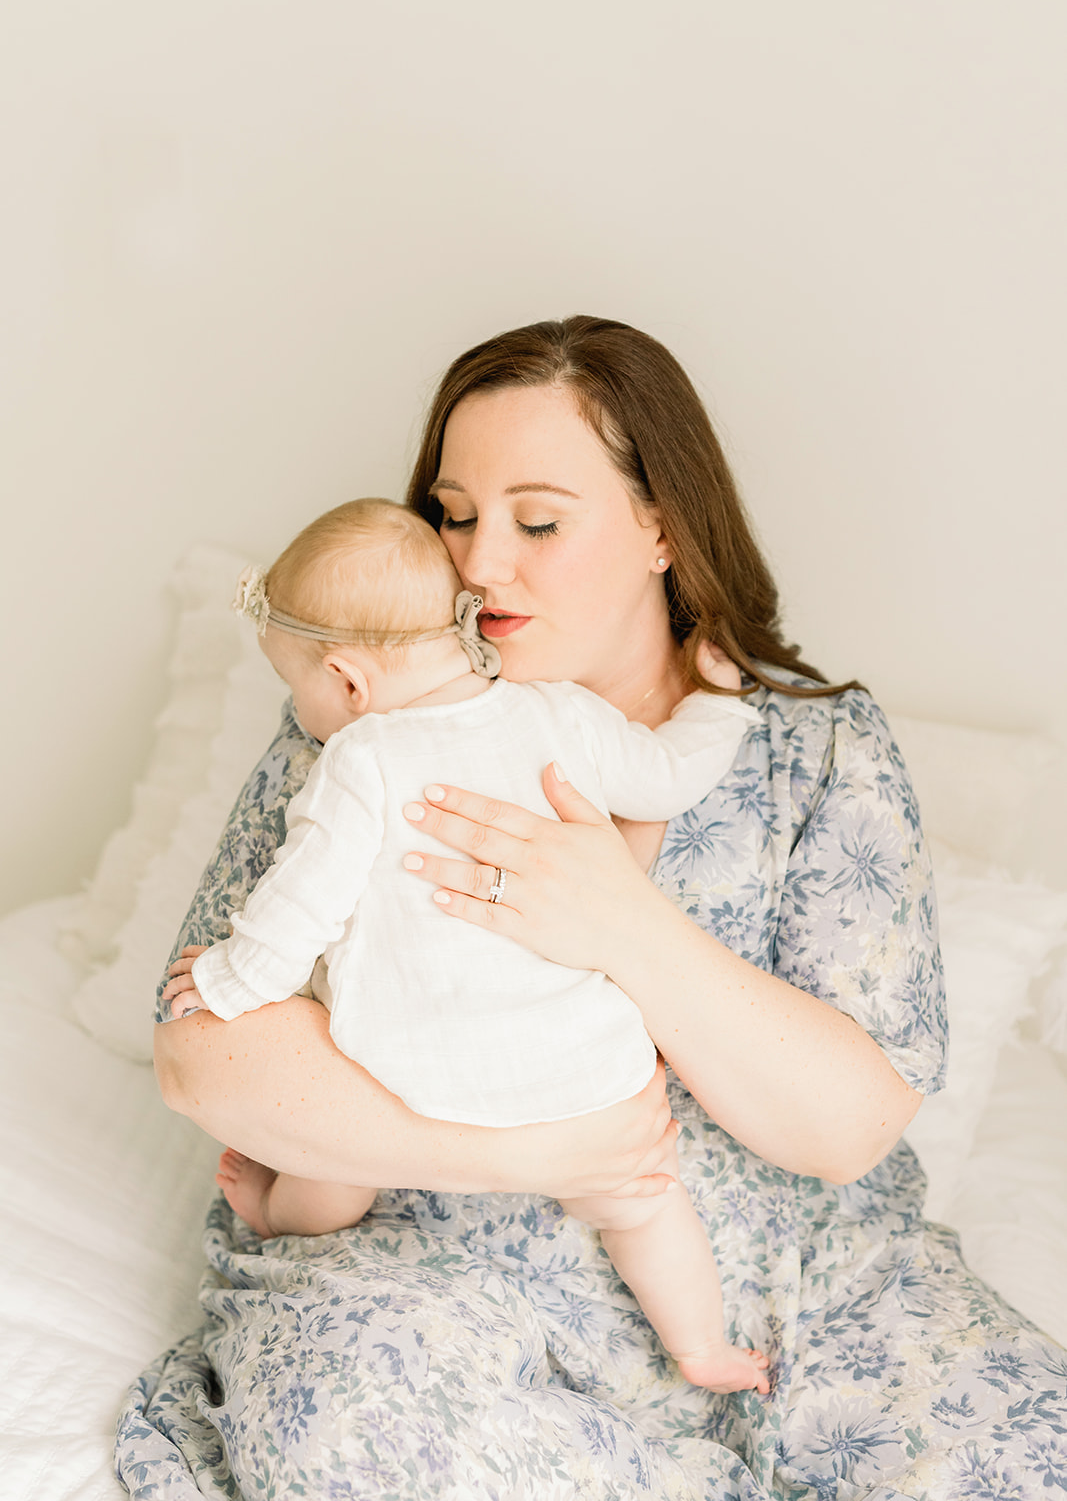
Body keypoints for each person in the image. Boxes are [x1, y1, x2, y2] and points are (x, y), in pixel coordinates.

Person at [118, 316, 1067, 1500]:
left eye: (538, 520)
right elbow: (207, 1060)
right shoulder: (360, 728)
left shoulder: (815, 752)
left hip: (794, 1287)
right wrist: (529, 1151)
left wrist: (621, 922)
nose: (475, 563)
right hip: (437, 1276)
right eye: (454, 513)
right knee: (349, 1434)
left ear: (660, 526)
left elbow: (846, 1129)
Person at [162, 495, 769, 1393]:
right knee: (643, 1203)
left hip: (420, 1080)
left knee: (333, 1163)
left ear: (349, 682)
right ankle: (704, 1349)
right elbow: (667, 773)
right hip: (586, 1079)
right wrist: (717, 702)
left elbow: (297, 913)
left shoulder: (358, 762)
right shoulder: (555, 713)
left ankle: (276, 1216)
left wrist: (224, 980)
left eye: (300, 688)